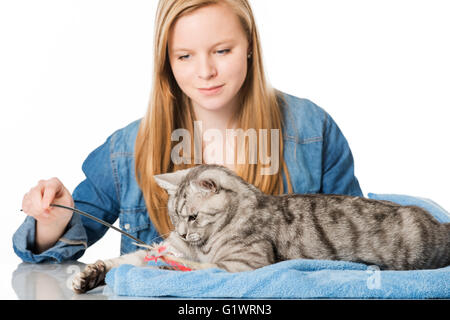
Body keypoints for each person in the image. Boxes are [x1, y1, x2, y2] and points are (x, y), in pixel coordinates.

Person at [13, 0, 362, 263]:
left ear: (251, 44)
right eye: (185, 56)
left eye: (222, 51)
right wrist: (52, 221)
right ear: (166, 59)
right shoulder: (128, 148)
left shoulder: (312, 130)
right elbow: (51, 251)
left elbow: (359, 240)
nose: (206, 71)